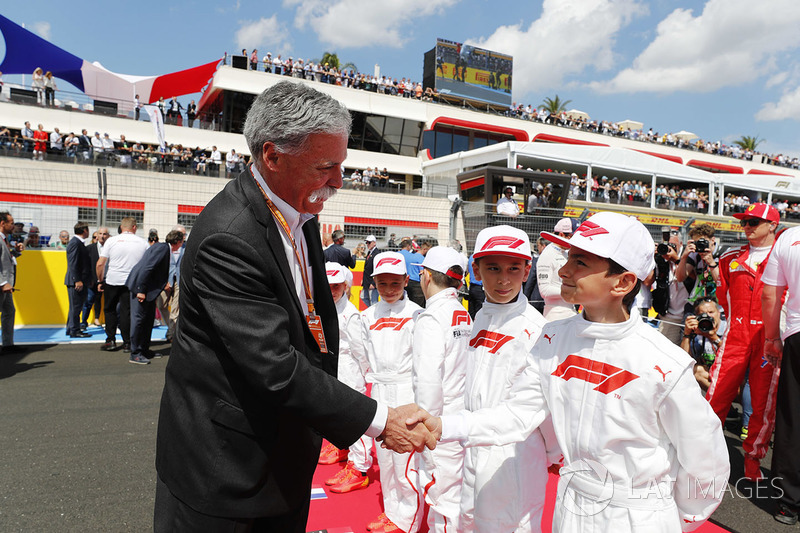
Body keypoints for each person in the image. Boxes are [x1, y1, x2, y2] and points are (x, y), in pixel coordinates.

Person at [153, 81, 433, 532]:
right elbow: (274, 365)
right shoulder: (230, 236)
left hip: (280, 457)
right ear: (273, 156)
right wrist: (380, 420)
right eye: (326, 167)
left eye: (342, 165)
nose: (339, 182)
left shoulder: (298, 212)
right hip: (227, 475)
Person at [413, 212, 730, 532]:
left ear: (623, 282)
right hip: (571, 509)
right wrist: (441, 425)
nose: (562, 270)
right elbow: (516, 415)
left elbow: (707, 463)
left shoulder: (665, 364)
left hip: (638, 518)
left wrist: (667, 520)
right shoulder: (553, 339)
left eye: (579, 262)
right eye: (568, 258)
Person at [459, 226, 556, 532]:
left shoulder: (537, 329)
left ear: (528, 270)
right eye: (493, 268)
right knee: (471, 521)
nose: (503, 279)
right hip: (474, 443)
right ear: (476, 270)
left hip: (514, 453)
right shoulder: (481, 317)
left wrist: (552, 452)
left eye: (514, 268)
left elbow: (547, 403)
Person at [706, 203, 782, 482]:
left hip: (769, 339)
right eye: (744, 222)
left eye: (753, 222)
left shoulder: (786, 259)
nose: (747, 227)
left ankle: (753, 460)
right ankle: (703, 454)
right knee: (715, 396)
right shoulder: (730, 259)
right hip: (736, 336)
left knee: (763, 405)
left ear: (772, 225)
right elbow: (722, 294)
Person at [359, 251, 423, 533]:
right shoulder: (366, 316)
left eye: (395, 284)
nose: (388, 290)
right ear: (373, 282)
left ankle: (407, 520)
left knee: (405, 458)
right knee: (384, 456)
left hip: (406, 390)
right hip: (379, 391)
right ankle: (392, 511)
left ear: (406, 280)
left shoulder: (417, 315)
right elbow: (361, 355)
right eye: (382, 284)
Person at [411, 246, 472, 532]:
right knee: (457, 497)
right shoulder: (463, 313)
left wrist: (425, 425)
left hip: (441, 422)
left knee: (442, 501)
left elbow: (428, 382)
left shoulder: (432, 317)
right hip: (462, 417)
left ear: (425, 276)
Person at [320, 264, 373, 493]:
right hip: (334, 369)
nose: (332, 290)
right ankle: (343, 450)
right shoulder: (325, 307)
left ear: (346, 286)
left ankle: (359, 469)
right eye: (328, 285)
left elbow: (360, 349)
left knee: (355, 421)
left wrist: (365, 373)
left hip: (349, 371)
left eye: (337, 286)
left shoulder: (350, 313)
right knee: (338, 415)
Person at [761, 224, 800, 525]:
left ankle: (788, 502)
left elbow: (771, 295)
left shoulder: (788, 237)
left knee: (792, 418)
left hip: (797, 334)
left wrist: (772, 337)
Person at [126, 230, 183, 364]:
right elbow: (147, 268)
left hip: (149, 290)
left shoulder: (162, 248)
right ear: (178, 242)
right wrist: (141, 289)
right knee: (139, 320)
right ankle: (135, 353)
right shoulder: (162, 249)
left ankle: (144, 349)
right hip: (141, 289)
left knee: (147, 320)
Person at [96, 217, 148, 352]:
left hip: (112, 280)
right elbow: (146, 265)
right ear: (134, 227)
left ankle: (111, 340)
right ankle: (127, 342)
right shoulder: (142, 243)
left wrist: (100, 280)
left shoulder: (111, 241)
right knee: (127, 312)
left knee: (109, 310)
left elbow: (100, 263)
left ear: (121, 227)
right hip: (131, 282)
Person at [680, 297, 726, 392]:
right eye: (702, 314)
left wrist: (714, 337)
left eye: (711, 312)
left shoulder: (728, 328)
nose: (708, 316)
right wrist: (687, 334)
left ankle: (721, 403)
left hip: (728, 375)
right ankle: (720, 402)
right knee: (694, 370)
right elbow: (683, 360)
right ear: (696, 316)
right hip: (711, 374)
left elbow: (733, 356)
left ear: (718, 312)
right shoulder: (697, 330)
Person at [538, 218, 577, 321]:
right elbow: (544, 290)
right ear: (561, 235)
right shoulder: (548, 254)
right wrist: (573, 291)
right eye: (572, 237)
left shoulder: (567, 253)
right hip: (555, 314)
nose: (574, 241)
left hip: (570, 311)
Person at [0, 212, 24, 353]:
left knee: (9, 311)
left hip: (6, 285)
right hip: (3, 284)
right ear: (3, 223)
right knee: (8, 311)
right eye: (11, 222)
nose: (13, 226)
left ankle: (8, 344)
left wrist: (15, 251)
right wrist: (3, 283)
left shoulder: (4, 239)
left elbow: (5, 258)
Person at [64, 222, 93, 339]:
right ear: (85, 230)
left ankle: (71, 328)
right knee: (76, 307)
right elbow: (73, 263)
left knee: (75, 306)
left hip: (80, 280)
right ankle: (74, 330)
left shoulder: (77, 243)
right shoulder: (75, 243)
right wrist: (77, 280)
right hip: (75, 281)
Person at [83, 226, 109, 329]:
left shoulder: (111, 248)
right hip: (92, 281)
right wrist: (89, 279)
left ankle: (110, 323)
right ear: (97, 235)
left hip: (108, 281)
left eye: (105, 234)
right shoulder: (89, 249)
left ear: (108, 236)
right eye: (100, 234)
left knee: (109, 303)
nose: (102, 236)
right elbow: (85, 265)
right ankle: (83, 322)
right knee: (88, 301)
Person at [164, 225, 186, 344]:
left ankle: (171, 333)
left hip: (179, 280)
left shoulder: (186, 247)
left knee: (175, 308)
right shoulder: (166, 247)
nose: (183, 237)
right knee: (162, 305)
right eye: (181, 235)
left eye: (184, 235)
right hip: (166, 279)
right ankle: (170, 326)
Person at [398, 237, 425, 307]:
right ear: (409, 246)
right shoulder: (413, 256)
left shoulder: (396, 255)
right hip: (414, 281)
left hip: (400, 281)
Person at [361, 234, 380, 306]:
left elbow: (377, 269)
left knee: (373, 301)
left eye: (369, 242)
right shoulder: (370, 252)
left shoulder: (376, 254)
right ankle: (370, 311)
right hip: (367, 281)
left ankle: (374, 314)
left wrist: (374, 283)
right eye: (367, 242)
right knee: (363, 296)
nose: (367, 244)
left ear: (374, 243)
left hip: (372, 282)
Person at [466, 252, 484, 319]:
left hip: (472, 287)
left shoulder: (471, 257)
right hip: (480, 287)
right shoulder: (481, 257)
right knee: (479, 312)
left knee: (471, 310)